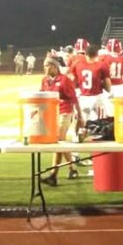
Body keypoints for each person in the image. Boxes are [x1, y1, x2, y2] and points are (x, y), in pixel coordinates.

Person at [40, 56, 84, 186]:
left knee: (58, 140)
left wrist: (80, 116)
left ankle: (53, 175)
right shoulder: (44, 80)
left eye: (46, 66)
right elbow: (42, 97)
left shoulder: (64, 80)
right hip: (52, 113)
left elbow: (74, 99)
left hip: (65, 112)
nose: (44, 69)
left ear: (54, 66)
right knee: (60, 142)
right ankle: (72, 168)